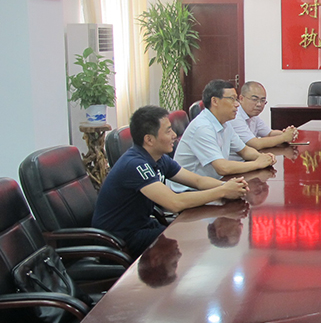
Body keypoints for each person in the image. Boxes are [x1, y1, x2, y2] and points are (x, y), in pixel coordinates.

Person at [92, 106, 250, 257]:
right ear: (149, 139)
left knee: (191, 240)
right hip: (120, 238)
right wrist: (222, 191)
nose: (174, 135)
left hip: (142, 225)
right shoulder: (135, 165)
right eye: (168, 131)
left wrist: (230, 186)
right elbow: (174, 203)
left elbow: (197, 181)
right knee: (188, 245)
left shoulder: (159, 158)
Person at [169, 79, 276, 192]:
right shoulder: (202, 127)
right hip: (190, 190)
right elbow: (222, 168)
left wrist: (263, 157)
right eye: (232, 99)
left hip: (214, 183)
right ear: (215, 101)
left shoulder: (224, 123)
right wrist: (257, 164)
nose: (237, 104)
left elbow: (244, 150)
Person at [229, 81, 298, 157]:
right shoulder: (235, 116)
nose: (259, 104)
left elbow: (269, 134)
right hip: (237, 161)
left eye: (262, 100)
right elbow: (255, 144)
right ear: (241, 98)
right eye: (254, 99)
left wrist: (289, 133)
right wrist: (283, 137)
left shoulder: (254, 116)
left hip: (249, 159)